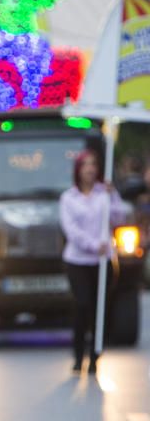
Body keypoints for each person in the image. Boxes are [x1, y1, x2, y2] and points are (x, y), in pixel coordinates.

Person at [59, 150, 128, 375]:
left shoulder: (104, 194)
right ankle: (79, 355)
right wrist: (91, 245)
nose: (90, 169)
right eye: (85, 165)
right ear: (78, 170)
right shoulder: (69, 198)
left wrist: (114, 195)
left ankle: (96, 356)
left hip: (103, 260)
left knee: (101, 309)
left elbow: (119, 218)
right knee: (83, 305)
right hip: (79, 260)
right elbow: (71, 229)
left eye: (93, 165)